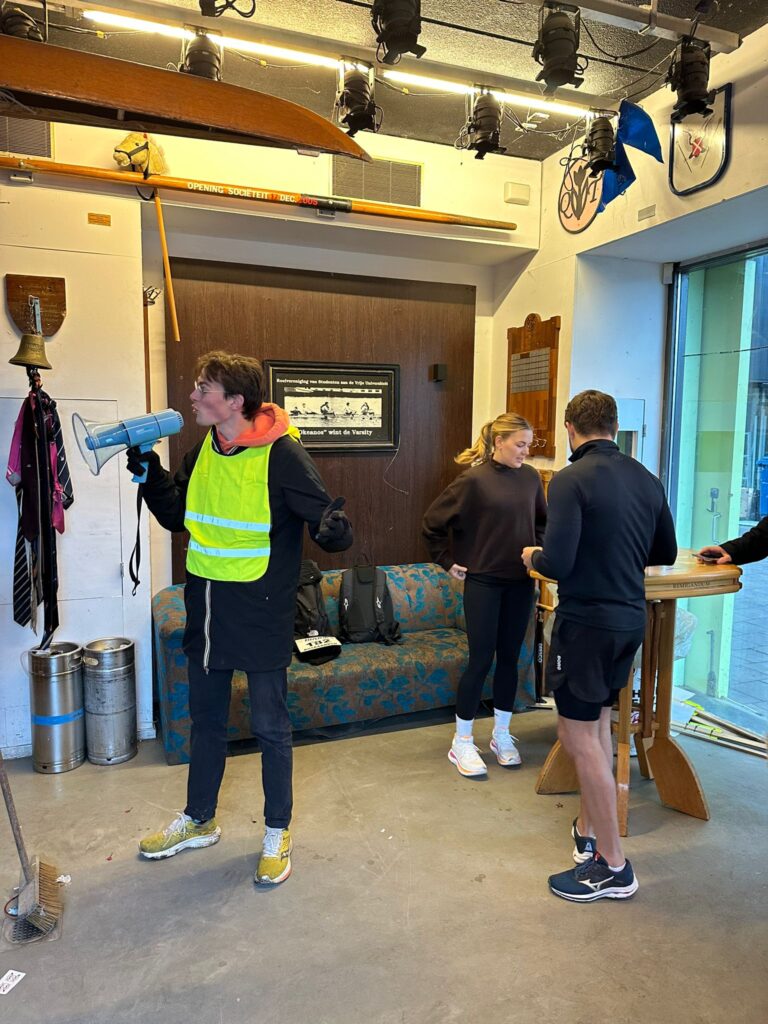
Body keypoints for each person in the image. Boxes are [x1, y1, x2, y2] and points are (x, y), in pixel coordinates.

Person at [130, 351, 352, 884]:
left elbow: (329, 524)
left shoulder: (283, 455)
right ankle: (199, 819)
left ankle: (277, 831)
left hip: (262, 611)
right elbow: (178, 516)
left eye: (203, 388)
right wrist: (152, 476)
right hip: (207, 608)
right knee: (205, 720)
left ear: (235, 401)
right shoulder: (204, 449)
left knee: (270, 726)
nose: (192, 396)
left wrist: (334, 529)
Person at [522, 390, 677, 903]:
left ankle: (613, 866)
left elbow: (558, 563)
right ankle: (588, 832)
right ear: (613, 426)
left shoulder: (571, 479)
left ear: (571, 429)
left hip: (586, 623)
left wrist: (532, 555)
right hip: (629, 620)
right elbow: (665, 550)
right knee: (598, 727)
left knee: (576, 733)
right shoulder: (647, 478)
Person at [423, 413, 547, 777]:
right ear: (499, 442)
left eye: (529, 445)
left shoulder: (531, 478)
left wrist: (540, 556)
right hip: (484, 584)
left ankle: (502, 735)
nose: (526, 451)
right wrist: (447, 561)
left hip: (521, 583)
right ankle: (461, 741)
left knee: (510, 659)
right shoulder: (473, 480)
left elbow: (542, 523)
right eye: (520, 444)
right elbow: (432, 523)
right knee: (480, 660)